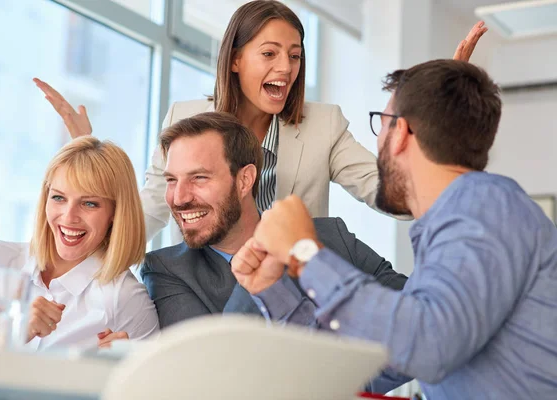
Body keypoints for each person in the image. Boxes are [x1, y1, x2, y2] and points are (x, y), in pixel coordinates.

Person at [230, 60, 557, 399]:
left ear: (400, 132)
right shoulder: (464, 233)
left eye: (381, 124)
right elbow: (364, 370)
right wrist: (273, 289)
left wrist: (306, 253)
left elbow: (428, 345)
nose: (379, 142)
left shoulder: (484, 208)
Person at [33, 1, 487, 241]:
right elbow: (146, 215)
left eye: (294, 56)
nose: (286, 69)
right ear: (234, 60)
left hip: (292, 297)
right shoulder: (186, 120)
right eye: (269, 54)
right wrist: (86, 156)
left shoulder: (323, 124)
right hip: (201, 293)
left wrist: (436, 113)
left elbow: (391, 194)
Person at [139, 112, 407, 329]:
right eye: (171, 180)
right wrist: (257, 280)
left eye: (199, 178)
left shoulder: (332, 236)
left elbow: (416, 318)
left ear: (245, 180)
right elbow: (209, 372)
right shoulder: (166, 270)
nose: (179, 198)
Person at [18, 136, 158, 350]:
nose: (69, 216)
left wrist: (118, 367)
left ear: (115, 213)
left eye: (89, 203)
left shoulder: (125, 298)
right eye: (58, 198)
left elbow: (154, 381)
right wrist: (15, 332)